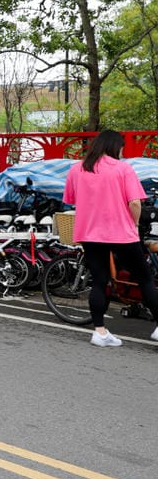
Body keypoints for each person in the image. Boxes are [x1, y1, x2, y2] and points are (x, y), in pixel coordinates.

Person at [63, 129, 158, 347]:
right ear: (116, 147)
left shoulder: (77, 168)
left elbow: (70, 199)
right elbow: (135, 203)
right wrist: (133, 223)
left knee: (100, 280)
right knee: (144, 279)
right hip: (120, 233)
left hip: (89, 233)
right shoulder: (122, 168)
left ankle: (100, 332)